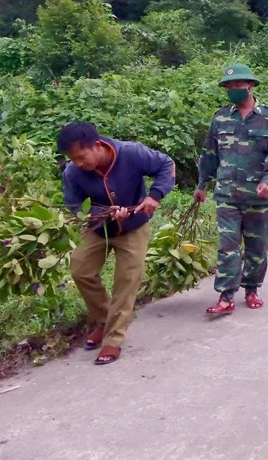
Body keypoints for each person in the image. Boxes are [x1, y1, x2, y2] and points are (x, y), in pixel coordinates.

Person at [59, 121, 175, 366]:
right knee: (80, 270)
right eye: (73, 159)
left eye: (81, 157)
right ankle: (104, 321)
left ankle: (113, 339)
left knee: (126, 281)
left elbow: (166, 164)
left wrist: (155, 195)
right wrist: (102, 212)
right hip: (98, 229)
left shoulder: (131, 153)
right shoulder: (72, 172)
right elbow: (75, 207)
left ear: (97, 145)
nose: (78, 163)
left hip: (134, 227)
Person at [194, 63, 268, 314]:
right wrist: (202, 184)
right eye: (229, 86)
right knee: (228, 245)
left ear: (251, 85)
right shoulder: (221, 117)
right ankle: (226, 296)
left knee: (256, 247)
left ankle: (252, 288)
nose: (233, 90)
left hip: (258, 195)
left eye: (238, 85)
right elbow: (209, 154)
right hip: (227, 194)